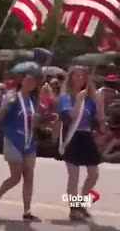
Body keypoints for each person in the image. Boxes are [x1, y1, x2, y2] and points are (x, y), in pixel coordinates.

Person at [0, 68, 42, 221]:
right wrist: (6, 107)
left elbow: (34, 123)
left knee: (29, 176)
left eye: (33, 81)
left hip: (29, 142)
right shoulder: (12, 97)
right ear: (22, 81)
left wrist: (38, 122)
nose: (30, 83)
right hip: (13, 140)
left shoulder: (33, 101)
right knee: (16, 177)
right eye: (27, 80)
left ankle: (27, 211)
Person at [58, 66, 104, 221]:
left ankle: (81, 203)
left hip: (86, 136)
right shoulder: (66, 97)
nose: (80, 79)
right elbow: (71, 116)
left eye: (83, 76)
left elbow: (100, 121)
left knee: (93, 174)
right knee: (74, 176)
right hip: (72, 137)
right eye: (76, 76)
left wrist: (100, 105)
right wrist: (78, 99)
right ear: (70, 78)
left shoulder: (91, 99)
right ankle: (74, 209)